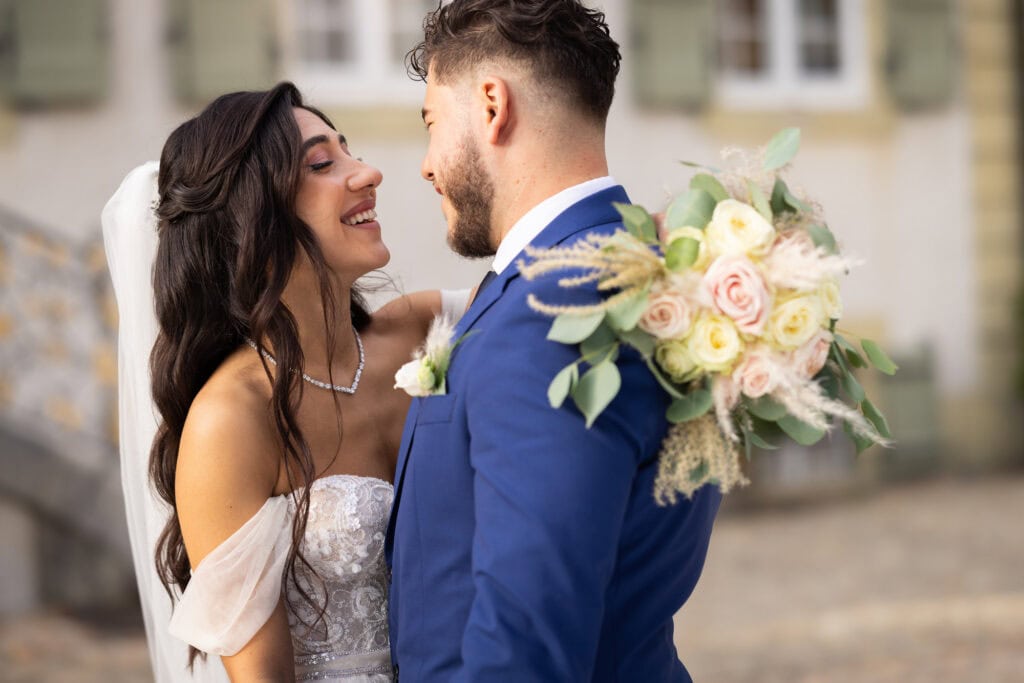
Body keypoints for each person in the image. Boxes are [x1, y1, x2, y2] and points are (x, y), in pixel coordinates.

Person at [385, 1, 722, 680]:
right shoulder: (645, 270)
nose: (425, 165)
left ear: (490, 105)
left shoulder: (552, 308)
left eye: (430, 122)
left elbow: (527, 635)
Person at [103, 82, 469, 682]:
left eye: (349, 152)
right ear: (254, 214)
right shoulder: (232, 418)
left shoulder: (425, 328)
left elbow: (554, 290)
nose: (369, 173)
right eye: (324, 164)